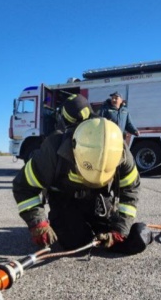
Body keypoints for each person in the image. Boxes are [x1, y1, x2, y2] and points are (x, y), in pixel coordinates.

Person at [12, 106, 149, 255]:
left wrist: (120, 230)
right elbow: (23, 186)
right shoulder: (52, 151)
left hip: (100, 200)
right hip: (65, 200)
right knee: (74, 241)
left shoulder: (122, 154)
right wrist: (38, 223)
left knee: (121, 238)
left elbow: (131, 190)